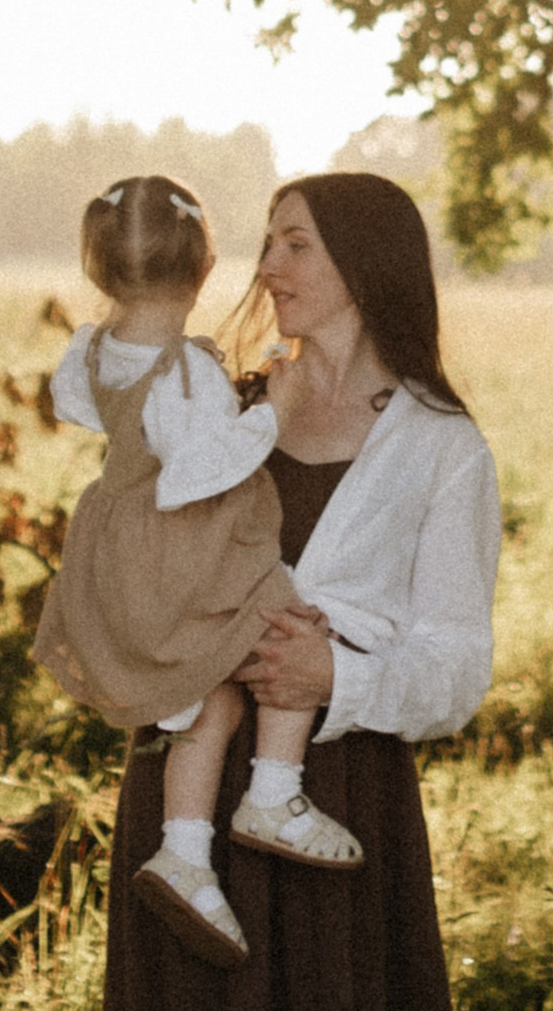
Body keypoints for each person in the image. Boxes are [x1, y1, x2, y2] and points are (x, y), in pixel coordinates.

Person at [90, 171, 502, 1011]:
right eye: (263, 240)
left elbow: (456, 668)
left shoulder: (442, 447)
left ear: (370, 262)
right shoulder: (226, 412)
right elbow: (129, 556)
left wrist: (337, 678)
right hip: (192, 800)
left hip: (337, 805)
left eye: (297, 240)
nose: (269, 262)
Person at [34, 174, 366, 970]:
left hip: (120, 551)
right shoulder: (186, 376)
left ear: (100, 270)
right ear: (204, 267)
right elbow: (198, 472)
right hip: (188, 548)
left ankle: (184, 852)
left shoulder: (94, 351)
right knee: (289, 624)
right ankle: (273, 791)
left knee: (210, 699)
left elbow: (74, 403)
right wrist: (270, 412)